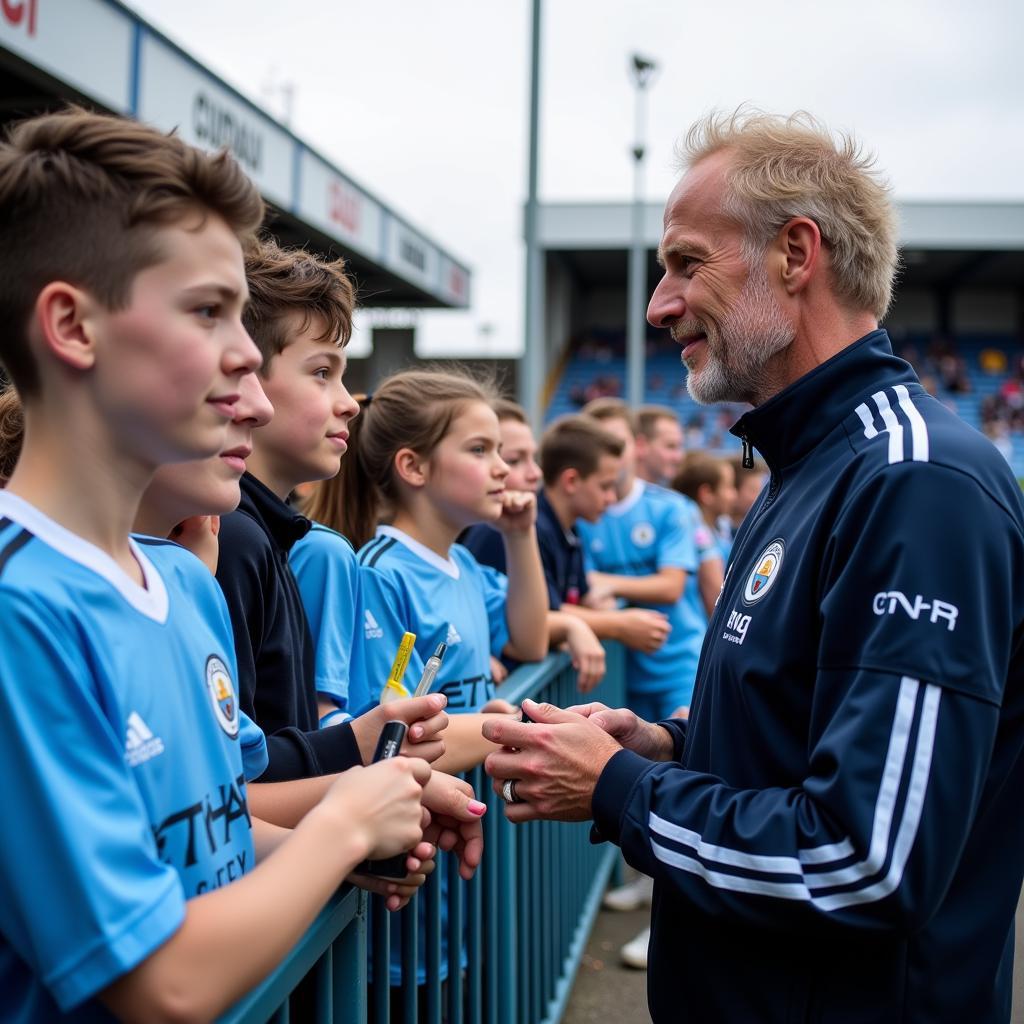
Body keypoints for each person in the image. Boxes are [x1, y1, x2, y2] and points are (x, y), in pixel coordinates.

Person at [482, 109, 1024, 1023]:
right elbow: (805, 729)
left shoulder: (915, 482)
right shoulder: (807, 469)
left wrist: (620, 790)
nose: (659, 303)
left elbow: (866, 866)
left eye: (687, 263)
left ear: (795, 254)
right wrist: (670, 746)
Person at [0, 106, 428, 1022]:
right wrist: (344, 825)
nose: (244, 356)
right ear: (72, 327)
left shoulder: (187, 579)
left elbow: (219, 838)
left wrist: (359, 832)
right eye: (208, 311)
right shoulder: (20, 611)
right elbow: (162, 983)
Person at [335, 368, 549, 998]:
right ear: (415, 467)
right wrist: (492, 727)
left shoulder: (462, 563)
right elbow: (386, 736)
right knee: (405, 990)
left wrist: (519, 535)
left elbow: (530, 642)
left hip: (460, 840)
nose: (503, 468)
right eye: (480, 451)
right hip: (409, 858)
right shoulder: (379, 572)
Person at [215, 239, 448, 782]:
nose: (348, 402)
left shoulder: (271, 535)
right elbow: (237, 779)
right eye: (322, 372)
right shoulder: (231, 539)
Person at [673, 453, 738, 564]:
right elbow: (716, 581)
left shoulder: (720, 527)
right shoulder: (696, 531)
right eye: (728, 487)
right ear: (706, 493)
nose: (734, 495)